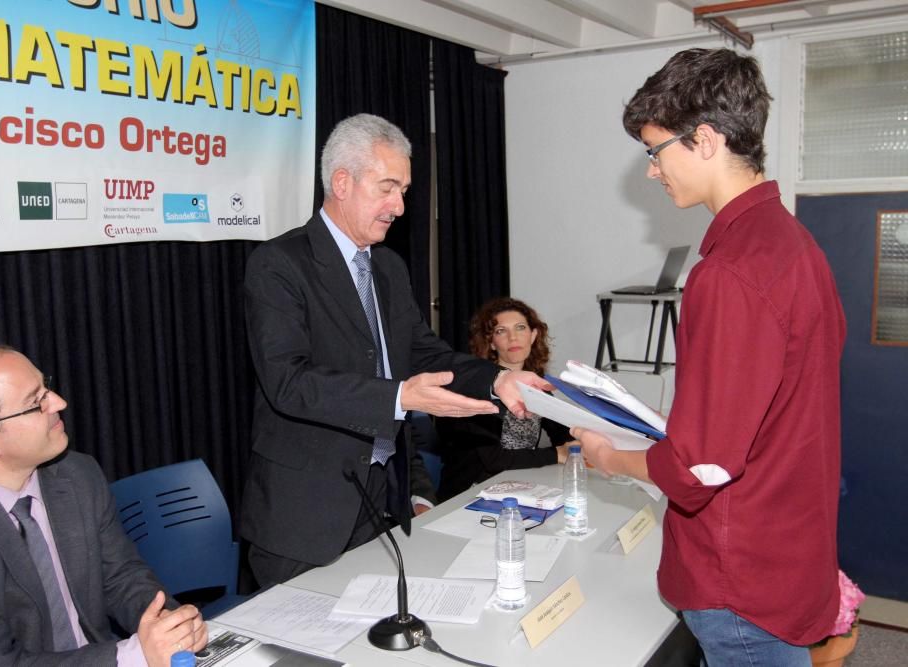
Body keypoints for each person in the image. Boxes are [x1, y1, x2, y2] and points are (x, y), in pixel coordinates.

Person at [574, 49, 846, 665]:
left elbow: (703, 469)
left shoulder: (729, 274)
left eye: (654, 150)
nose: (651, 171)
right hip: (787, 552)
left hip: (741, 578)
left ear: (703, 140)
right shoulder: (796, 247)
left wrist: (612, 458)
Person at [241, 113, 550, 586]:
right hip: (302, 520)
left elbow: (425, 353)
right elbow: (288, 383)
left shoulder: (387, 268)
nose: (399, 206)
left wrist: (497, 379)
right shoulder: (280, 264)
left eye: (403, 190)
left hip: (379, 502)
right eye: (388, 187)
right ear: (342, 182)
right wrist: (400, 397)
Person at [0, 345, 208, 666]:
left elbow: (121, 576)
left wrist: (169, 626)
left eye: (46, 387)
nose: (59, 402)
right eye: (36, 402)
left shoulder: (77, 474)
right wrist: (135, 655)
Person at [436, 297, 571, 501]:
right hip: (469, 494)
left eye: (520, 328)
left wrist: (582, 443)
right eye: (501, 331)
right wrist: (557, 454)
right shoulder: (477, 388)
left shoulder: (537, 387)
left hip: (518, 485)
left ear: (533, 335)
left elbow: (563, 435)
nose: (513, 337)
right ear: (491, 342)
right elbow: (494, 460)